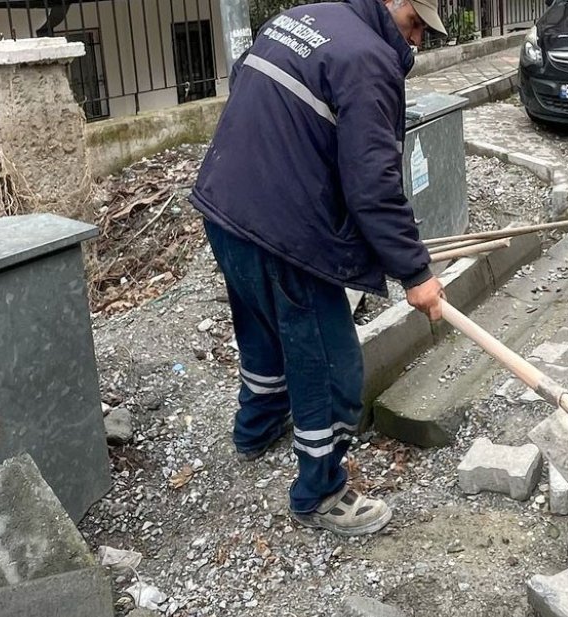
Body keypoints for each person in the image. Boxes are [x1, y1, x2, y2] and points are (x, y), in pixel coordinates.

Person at [190, 0, 447, 536]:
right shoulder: (368, 59)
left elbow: (249, 87)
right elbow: (373, 184)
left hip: (224, 204)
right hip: (285, 233)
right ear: (396, 2)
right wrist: (416, 273)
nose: (417, 41)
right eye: (416, 24)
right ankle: (321, 492)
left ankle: (256, 429)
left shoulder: (299, 17)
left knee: (261, 330)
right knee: (331, 366)